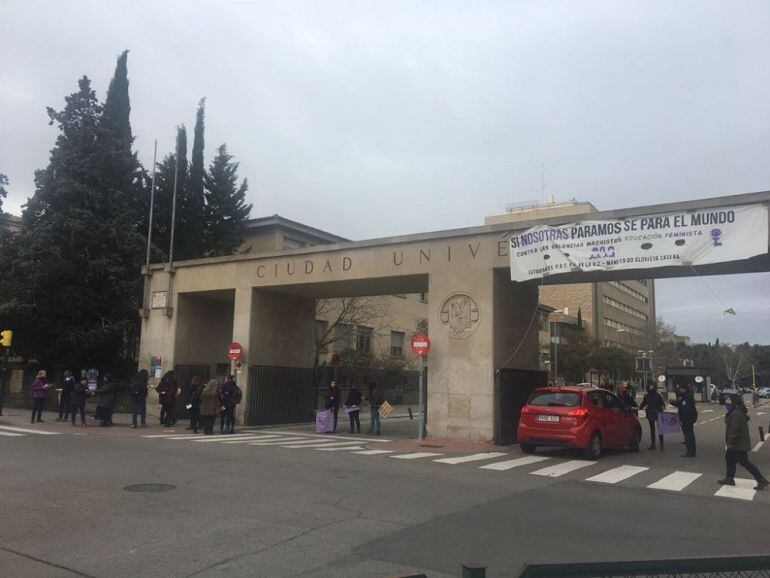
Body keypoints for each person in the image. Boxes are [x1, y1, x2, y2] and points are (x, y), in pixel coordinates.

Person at [719, 393, 769, 490]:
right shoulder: (734, 411)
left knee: (744, 462)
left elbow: (735, 429)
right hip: (737, 443)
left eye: (728, 400)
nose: (726, 402)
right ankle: (729, 478)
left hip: (738, 444)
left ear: (734, 401)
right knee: (729, 459)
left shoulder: (737, 413)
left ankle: (761, 480)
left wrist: (730, 443)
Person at [672, 383, 698, 457]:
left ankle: (691, 452)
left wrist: (682, 420)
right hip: (687, 418)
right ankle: (690, 451)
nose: (679, 389)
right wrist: (672, 402)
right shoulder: (683, 396)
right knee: (688, 435)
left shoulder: (687, 396)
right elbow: (679, 403)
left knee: (689, 435)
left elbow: (685, 409)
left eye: (680, 388)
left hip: (688, 419)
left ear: (684, 389)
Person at [639, 382, 666, 450]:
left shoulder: (656, 395)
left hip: (656, 413)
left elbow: (662, 404)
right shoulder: (649, 396)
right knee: (653, 429)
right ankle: (654, 445)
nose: (651, 389)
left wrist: (663, 407)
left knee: (659, 429)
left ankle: (660, 445)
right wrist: (639, 407)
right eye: (650, 387)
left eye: (652, 387)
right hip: (652, 413)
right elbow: (643, 404)